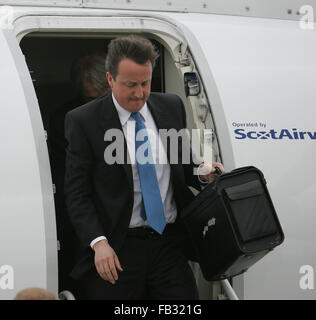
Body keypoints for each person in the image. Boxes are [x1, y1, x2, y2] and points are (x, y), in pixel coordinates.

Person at [64, 35, 225, 299]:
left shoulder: (171, 106)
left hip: (168, 243)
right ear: (110, 79)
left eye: (145, 83)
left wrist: (202, 172)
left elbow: (183, 163)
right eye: (130, 85)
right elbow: (77, 193)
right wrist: (98, 242)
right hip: (117, 246)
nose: (139, 93)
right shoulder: (84, 121)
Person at [47, 53, 110, 295]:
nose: (96, 106)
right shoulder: (65, 119)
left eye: (102, 98)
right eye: (89, 98)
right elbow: (69, 180)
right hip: (84, 215)